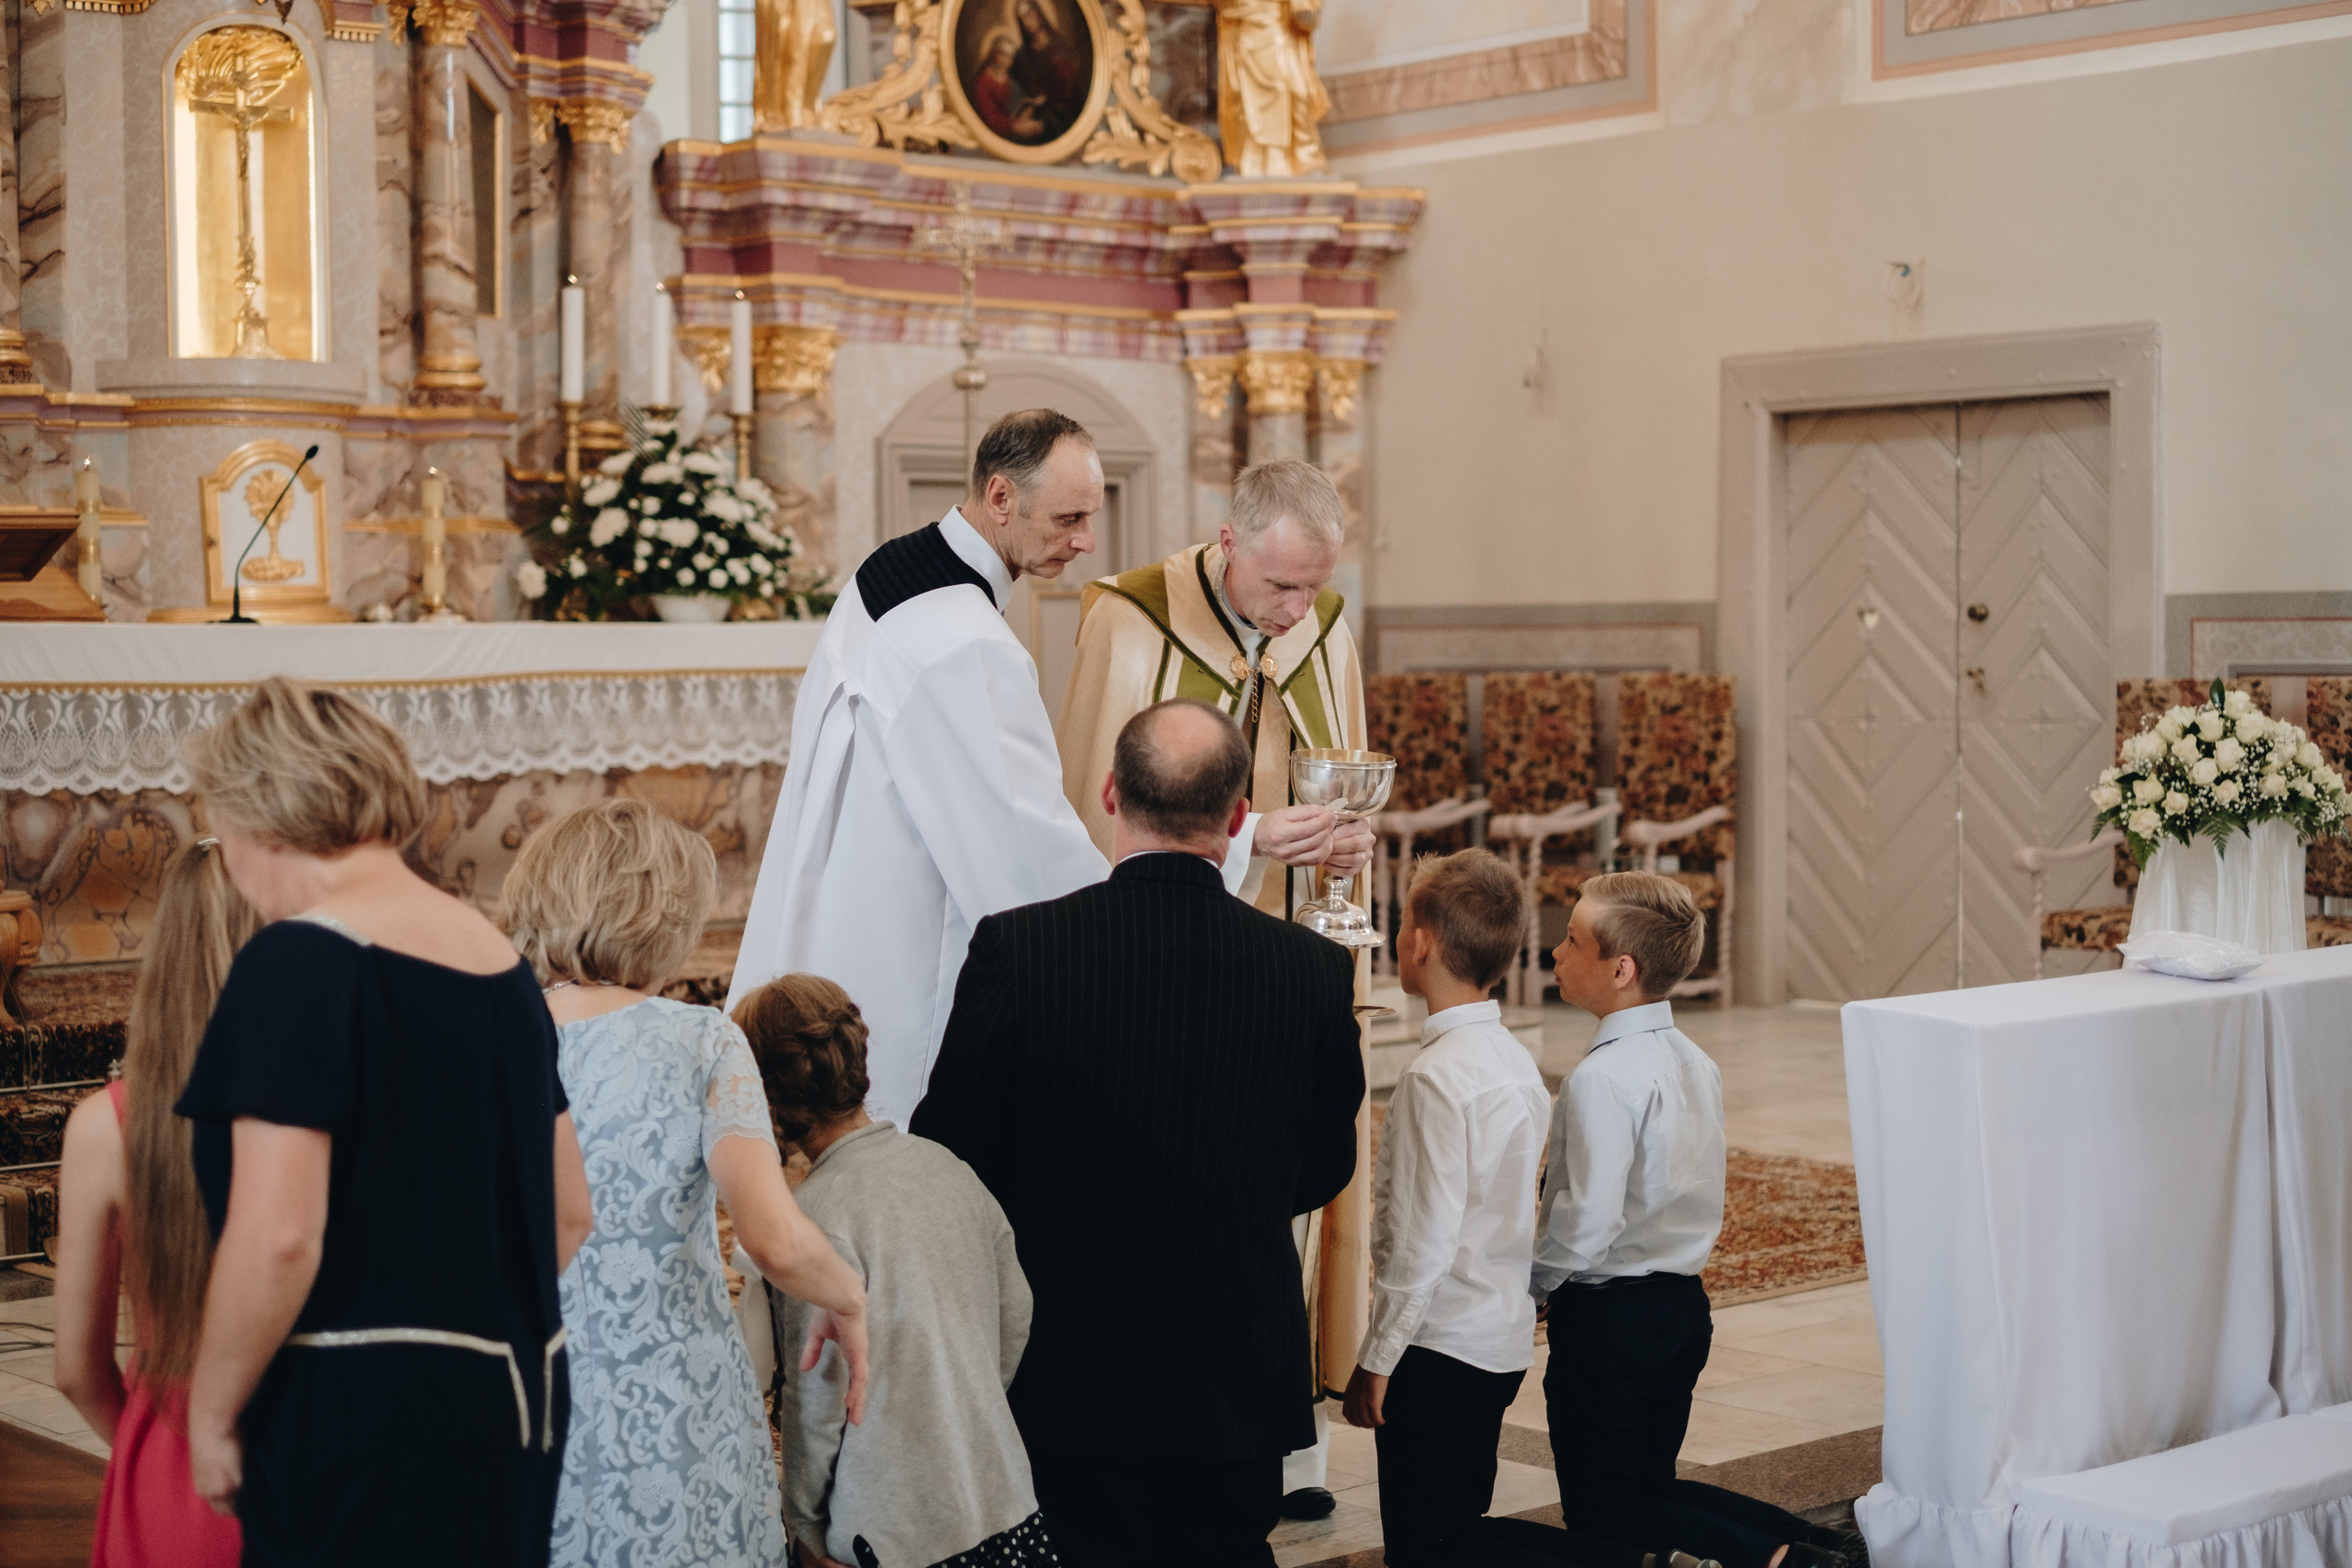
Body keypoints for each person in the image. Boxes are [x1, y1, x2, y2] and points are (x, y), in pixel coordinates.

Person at [912, 698, 1363, 1568]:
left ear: (1112, 795)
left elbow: (953, 1152)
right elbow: (1324, 1164)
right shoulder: (1311, 968)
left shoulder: (1020, 948)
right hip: (1234, 1367)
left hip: (1067, 1362)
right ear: (1238, 819)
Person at [174, 676, 594, 1567]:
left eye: (219, 830)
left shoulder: (300, 961)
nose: (229, 860)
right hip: (518, 1395)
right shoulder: (501, 962)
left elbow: (282, 1236)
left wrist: (211, 1411)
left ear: (264, 815)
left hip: (358, 1399)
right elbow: (566, 1212)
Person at [1056, 455, 1373, 1517]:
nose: (1296, 612)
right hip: (1158, 976)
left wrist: (1339, 845)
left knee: (1284, 1180)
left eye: (1314, 587)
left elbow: (1344, 767)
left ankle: (1293, 1446)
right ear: (1227, 543)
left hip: (1282, 972)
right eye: (1280, 586)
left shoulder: (1323, 623)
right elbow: (1095, 816)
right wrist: (1249, 843)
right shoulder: (1127, 619)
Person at [500, 800, 870, 1568]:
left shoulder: (492, 1040)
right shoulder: (700, 1039)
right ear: (661, 916)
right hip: (674, 1413)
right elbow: (771, 1236)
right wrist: (848, 1292)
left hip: (529, 1395)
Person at [729, 407, 1110, 1127]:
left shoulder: (887, 568)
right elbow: (1030, 857)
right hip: (904, 955)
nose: (1085, 540)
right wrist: (1166, 899)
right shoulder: (965, 641)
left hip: (840, 914)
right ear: (1000, 498)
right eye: (1067, 518)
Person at [1535, 874, 1865, 1568]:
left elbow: (1587, 1218)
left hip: (1609, 1320)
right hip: (1681, 1306)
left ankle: (1787, 1558)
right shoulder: (1696, 1061)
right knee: (1647, 1486)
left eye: (1571, 939)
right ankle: (1825, 1542)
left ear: (1621, 969)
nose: (1554, 952)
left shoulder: (1602, 1078)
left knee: (1604, 1506)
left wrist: (1531, 1284)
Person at [735, 975, 1049, 1568]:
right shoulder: (947, 1166)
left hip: (890, 1532)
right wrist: (960, 1403)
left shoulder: (810, 1223)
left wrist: (802, 1524)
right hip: (1001, 1495)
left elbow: (816, 1398)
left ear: (764, 1094)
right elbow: (1016, 1311)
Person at [1340, 850, 1553, 1563]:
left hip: (1439, 1348)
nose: (1398, 937)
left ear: (1422, 941)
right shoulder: (1513, 1056)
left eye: (1401, 923)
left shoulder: (1435, 1076)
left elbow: (1420, 1244)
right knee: (1461, 1518)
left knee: (1428, 1545)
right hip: (1496, 1337)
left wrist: (1377, 1357)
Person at [53, 839, 258, 1568]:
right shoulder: (333, 1105)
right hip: (310, 1449)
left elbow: (77, 1368)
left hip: (173, 1467)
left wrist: (153, 1449)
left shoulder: (104, 1127)